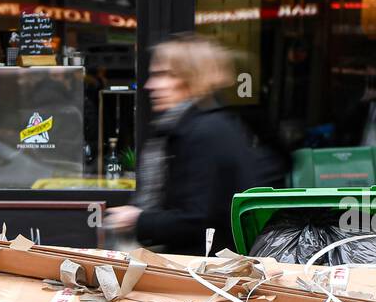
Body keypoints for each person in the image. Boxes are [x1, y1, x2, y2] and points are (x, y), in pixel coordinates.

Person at [106, 34, 274, 255]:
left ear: (192, 78)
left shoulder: (204, 132)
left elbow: (198, 219)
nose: (150, 85)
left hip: (202, 271)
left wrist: (136, 220)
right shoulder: (191, 126)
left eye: (163, 75)